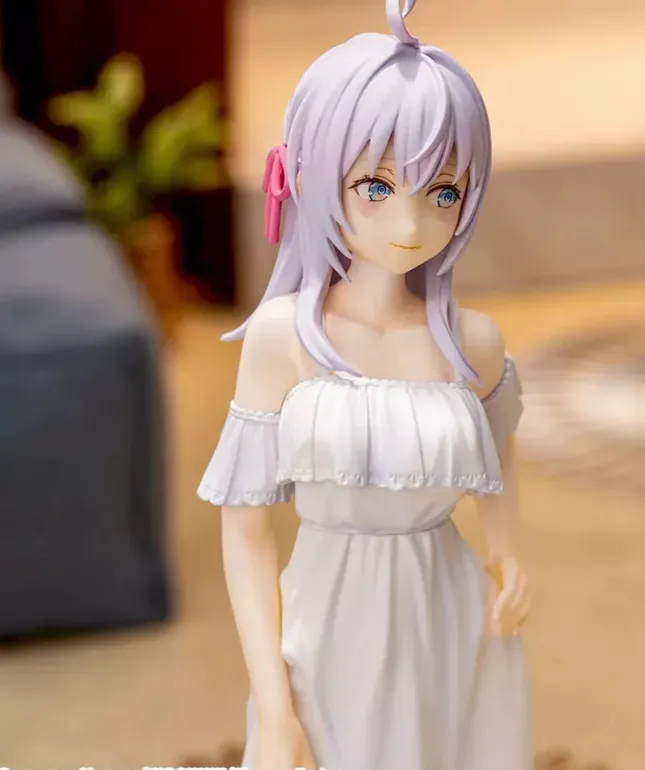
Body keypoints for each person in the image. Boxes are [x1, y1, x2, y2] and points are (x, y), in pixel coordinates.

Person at [198, 1, 532, 768]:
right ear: (314, 177)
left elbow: (501, 455)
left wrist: (509, 556)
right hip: (325, 621)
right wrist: (274, 706)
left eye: (443, 192)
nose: (410, 225)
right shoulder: (284, 339)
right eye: (376, 187)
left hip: (451, 616)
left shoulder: (473, 345)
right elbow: (244, 530)